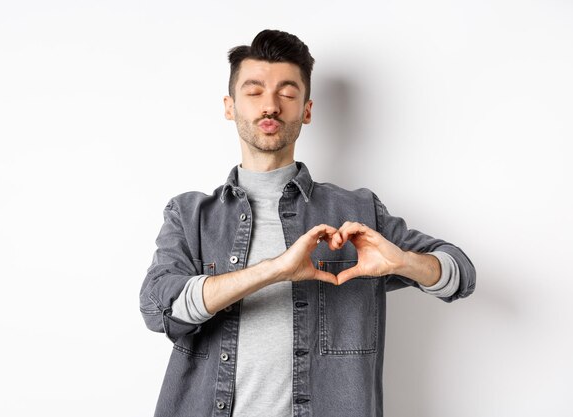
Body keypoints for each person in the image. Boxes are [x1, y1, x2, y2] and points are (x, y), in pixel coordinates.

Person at [139, 29, 476, 417]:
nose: (270, 105)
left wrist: (403, 262)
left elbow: (460, 273)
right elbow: (158, 307)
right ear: (230, 106)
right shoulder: (191, 215)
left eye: (287, 92)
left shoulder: (358, 212)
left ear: (307, 109)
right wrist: (274, 271)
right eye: (254, 91)